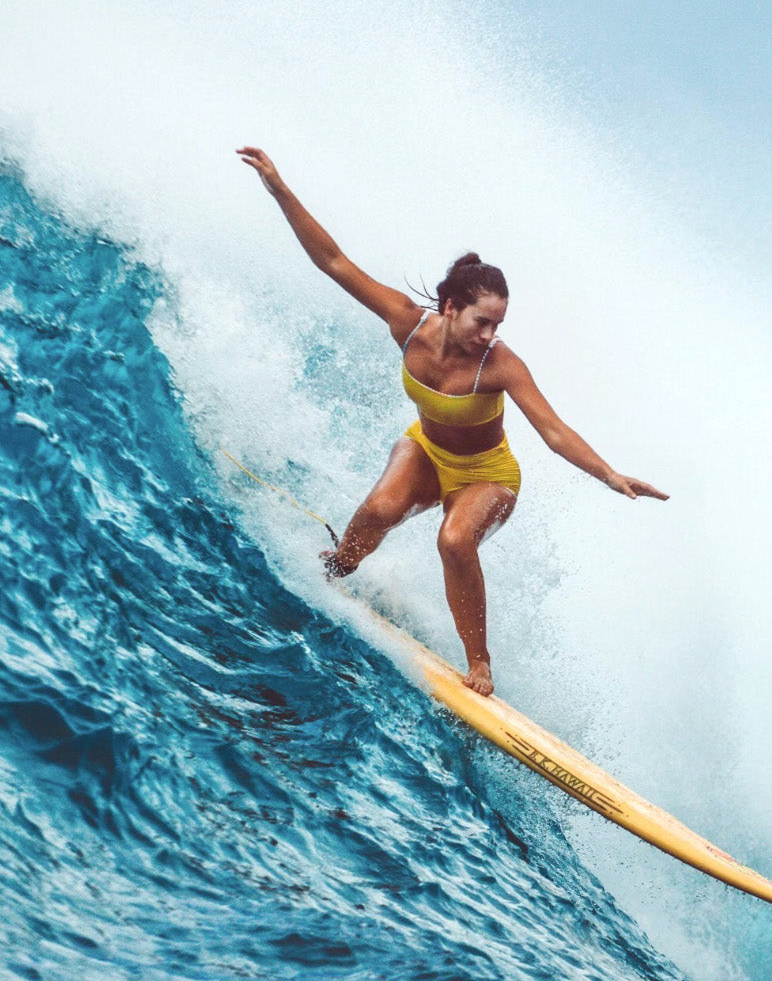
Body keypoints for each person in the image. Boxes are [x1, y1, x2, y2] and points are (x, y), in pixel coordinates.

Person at [238, 146, 668, 696]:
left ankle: (480, 663)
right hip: (426, 450)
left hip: (488, 475)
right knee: (377, 511)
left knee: (455, 538)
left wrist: (610, 474)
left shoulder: (500, 365)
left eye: (498, 325)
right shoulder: (406, 324)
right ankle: (337, 569)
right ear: (449, 308)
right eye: (482, 322)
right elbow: (334, 262)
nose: (490, 335)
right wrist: (279, 190)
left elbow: (554, 432)